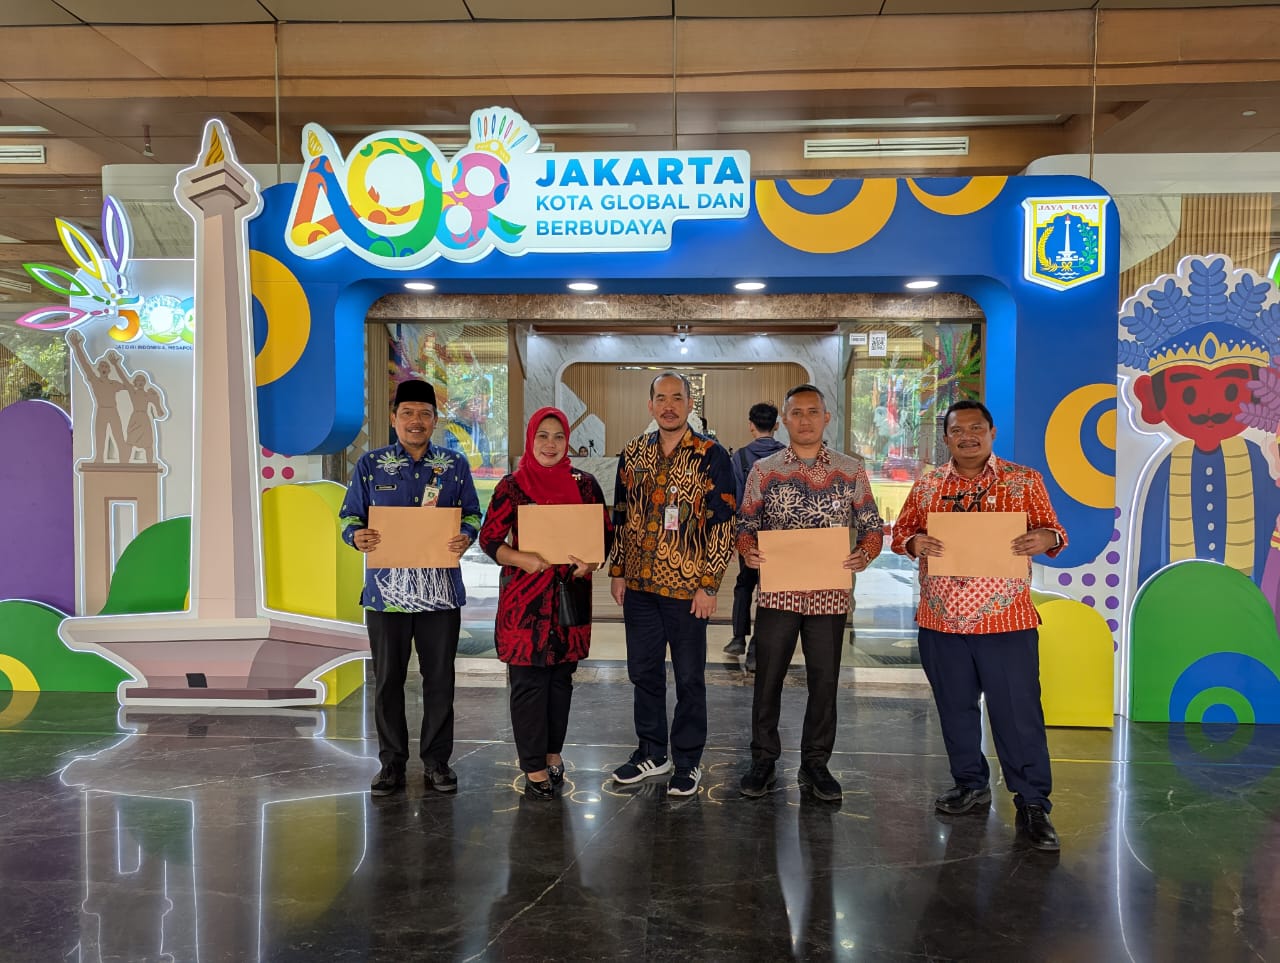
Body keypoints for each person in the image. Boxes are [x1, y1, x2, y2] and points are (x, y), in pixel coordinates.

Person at [890, 399, 1066, 852]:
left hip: (1006, 621)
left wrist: (1044, 537)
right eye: (957, 430)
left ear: (992, 433)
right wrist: (914, 542)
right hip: (941, 621)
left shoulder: (1024, 480)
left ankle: (1032, 803)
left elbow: (1054, 531)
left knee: (1018, 715)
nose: (967, 436)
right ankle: (970, 783)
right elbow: (901, 532)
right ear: (946, 437)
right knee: (955, 710)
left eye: (976, 428)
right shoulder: (928, 484)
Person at [736, 384, 883, 801]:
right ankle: (764, 759)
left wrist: (864, 553)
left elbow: (872, 526)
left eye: (812, 412)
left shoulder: (850, 470)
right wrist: (748, 550)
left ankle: (816, 763)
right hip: (778, 593)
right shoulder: (763, 470)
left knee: (824, 681)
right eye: (796, 413)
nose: (805, 420)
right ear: (784, 419)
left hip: (829, 595)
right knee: (768, 679)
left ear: (826, 418)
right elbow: (745, 524)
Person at [341, 379, 482, 798]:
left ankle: (437, 761)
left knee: (439, 679)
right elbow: (349, 517)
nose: (415, 421)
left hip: (440, 592)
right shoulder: (371, 464)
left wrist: (466, 535)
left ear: (435, 420)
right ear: (394, 418)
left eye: (424, 413)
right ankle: (391, 763)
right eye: (407, 413)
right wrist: (356, 536)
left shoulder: (454, 464)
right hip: (386, 595)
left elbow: (473, 514)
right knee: (388, 681)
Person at [609, 372, 736, 796]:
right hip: (640, 588)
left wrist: (710, 584)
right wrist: (618, 570)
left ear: (689, 404)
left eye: (677, 398)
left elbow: (723, 524)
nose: (668, 406)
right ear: (650, 405)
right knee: (643, 673)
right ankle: (651, 752)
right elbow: (621, 514)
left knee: (689, 679)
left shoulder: (711, 455)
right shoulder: (633, 453)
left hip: (687, 590)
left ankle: (686, 759)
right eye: (661, 398)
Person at [478, 407, 613, 800]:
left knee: (560, 681)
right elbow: (490, 539)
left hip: (568, 598)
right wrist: (521, 558)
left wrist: (592, 563)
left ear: (567, 441)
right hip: (525, 603)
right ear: (530, 439)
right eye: (543, 436)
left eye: (558, 437)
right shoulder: (512, 487)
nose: (550, 444)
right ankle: (533, 765)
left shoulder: (585, 485)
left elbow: (604, 535)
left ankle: (554, 752)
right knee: (528, 684)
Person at [723, 401, 786, 669]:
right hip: (779, 535)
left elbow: (735, 499)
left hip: (749, 533)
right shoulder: (787, 455)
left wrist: (735, 534)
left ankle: (738, 637)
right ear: (777, 425)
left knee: (744, 583)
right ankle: (757, 651)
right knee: (768, 590)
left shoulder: (740, 458)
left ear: (751, 425)